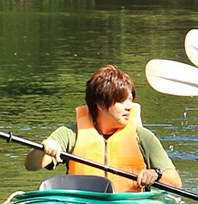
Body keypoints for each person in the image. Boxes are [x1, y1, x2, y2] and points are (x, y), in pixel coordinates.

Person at [25, 65, 182, 191]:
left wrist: (156, 174)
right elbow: (31, 165)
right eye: (121, 101)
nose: (130, 107)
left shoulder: (143, 137)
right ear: (100, 105)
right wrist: (43, 148)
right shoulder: (71, 134)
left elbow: (175, 181)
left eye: (130, 100)